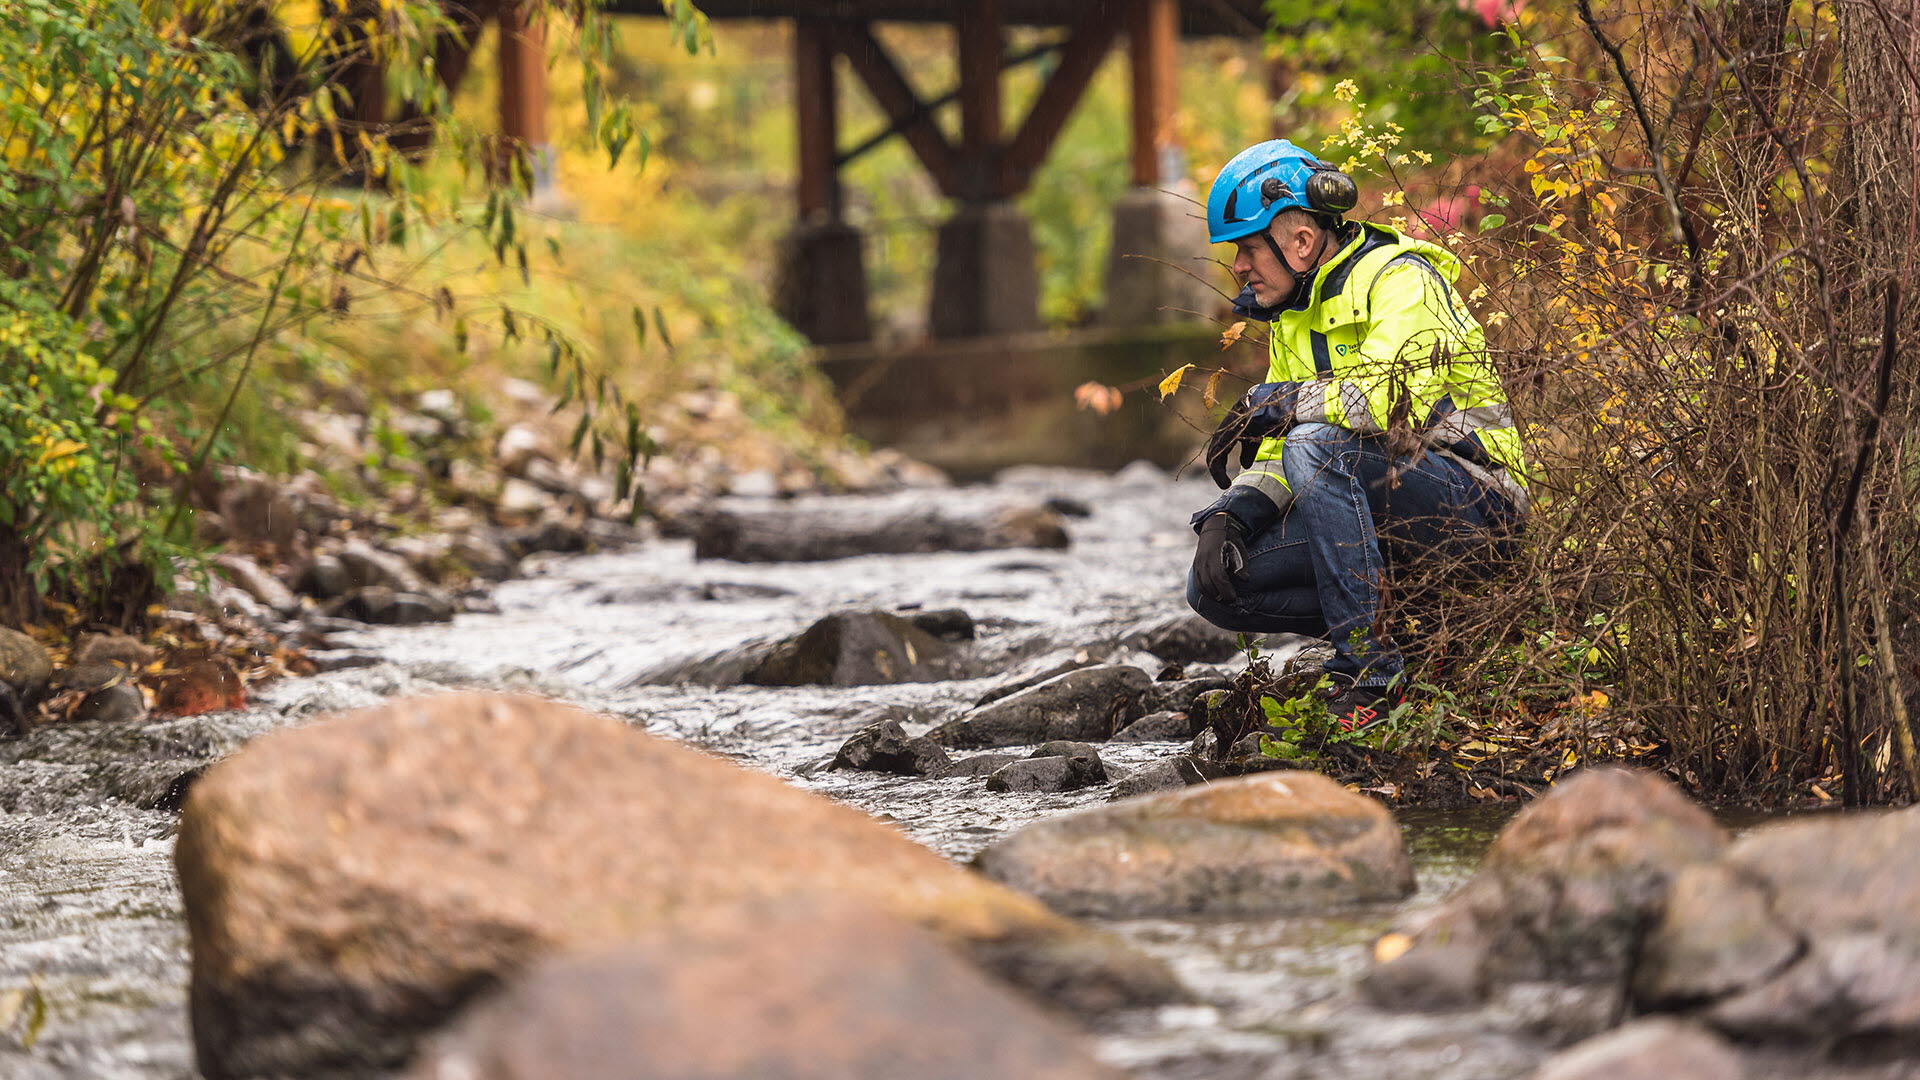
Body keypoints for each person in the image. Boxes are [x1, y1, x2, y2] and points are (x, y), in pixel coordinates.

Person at [1187, 139, 1528, 730]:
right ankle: (1415, 627)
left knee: (1315, 444)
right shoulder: (1293, 316)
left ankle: (1373, 676)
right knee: (1213, 586)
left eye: (1245, 248)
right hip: (1384, 508)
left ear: (1299, 241)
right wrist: (1233, 515)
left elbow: (1390, 404)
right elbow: (1279, 454)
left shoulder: (1403, 281)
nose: (1237, 267)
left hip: (1483, 508)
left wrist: (1282, 401)